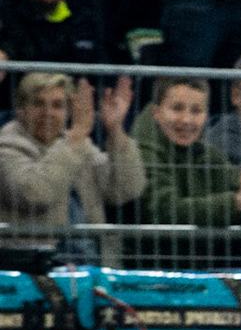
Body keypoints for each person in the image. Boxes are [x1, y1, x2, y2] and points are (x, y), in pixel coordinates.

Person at [0, 71, 143, 259]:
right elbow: (35, 194)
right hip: (32, 266)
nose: (48, 113)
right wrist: (76, 137)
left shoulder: (77, 144)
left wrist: (115, 130)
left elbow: (125, 189)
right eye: (38, 103)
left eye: (58, 105)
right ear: (19, 108)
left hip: (92, 264)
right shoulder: (7, 146)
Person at [133, 76, 241, 232]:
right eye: (177, 108)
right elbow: (165, 212)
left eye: (196, 111)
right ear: (156, 112)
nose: (186, 120)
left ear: (206, 115)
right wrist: (240, 200)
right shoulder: (142, 151)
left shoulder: (207, 153)